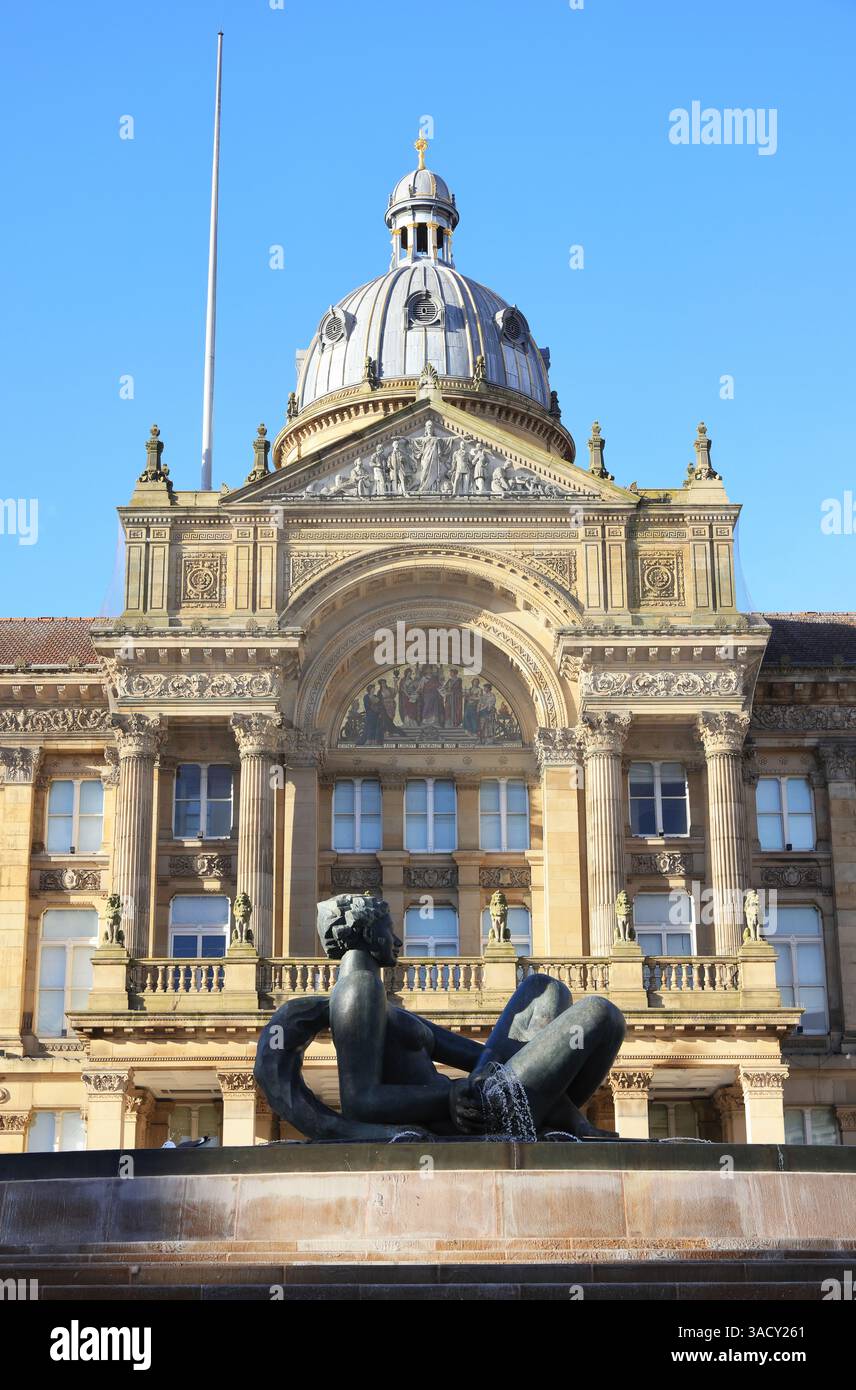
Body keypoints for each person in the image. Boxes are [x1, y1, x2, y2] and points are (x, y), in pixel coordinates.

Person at [255, 895, 626, 1140]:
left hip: (481, 1095)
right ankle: (550, 1118)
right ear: (368, 933)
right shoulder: (357, 991)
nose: (397, 941)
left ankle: (554, 1116)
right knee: (600, 1014)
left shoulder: (380, 1001)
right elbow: (361, 1102)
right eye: (389, 929)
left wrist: (505, 1069)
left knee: (543, 989)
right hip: (470, 1114)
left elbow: (473, 1057)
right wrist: (449, 1094)